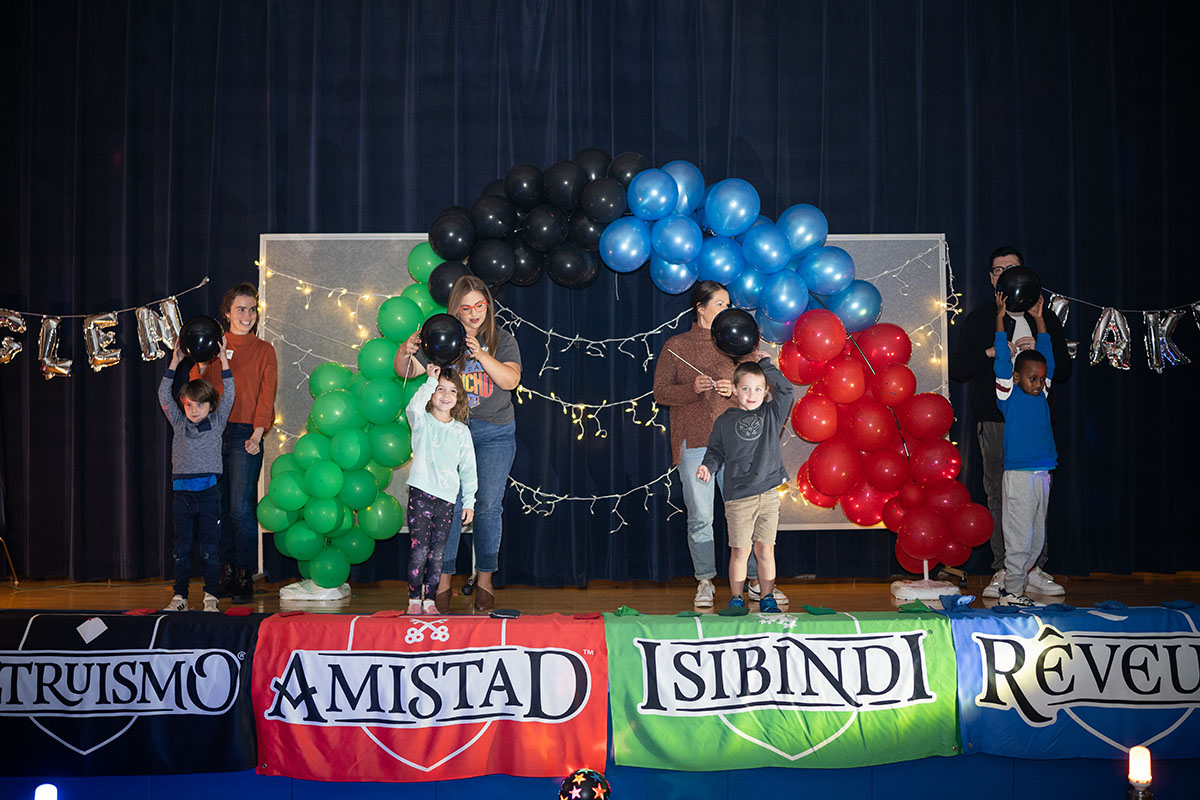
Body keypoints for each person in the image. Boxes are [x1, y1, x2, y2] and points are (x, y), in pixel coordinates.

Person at [652, 281, 787, 608]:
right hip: (695, 443)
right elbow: (660, 393)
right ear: (700, 307)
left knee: (749, 515)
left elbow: (764, 392)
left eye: (729, 305)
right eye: (720, 305)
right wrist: (692, 389)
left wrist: (736, 390)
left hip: (741, 446)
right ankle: (705, 580)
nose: (727, 311)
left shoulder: (741, 346)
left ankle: (756, 581)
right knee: (700, 515)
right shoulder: (676, 345)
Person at [948, 247, 1071, 598]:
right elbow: (958, 369)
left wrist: (1035, 356)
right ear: (991, 278)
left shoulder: (1043, 317)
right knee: (1000, 496)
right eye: (998, 270)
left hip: (1036, 426)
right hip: (995, 419)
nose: (1006, 275)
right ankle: (1005, 568)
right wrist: (993, 352)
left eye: (1012, 268)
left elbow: (1062, 370)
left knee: (1036, 500)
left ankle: (1034, 568)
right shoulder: (981, 318)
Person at [395, 275, 521, 612]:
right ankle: (443, 580)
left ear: (487, 307)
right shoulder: (443, 339)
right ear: (457, 311)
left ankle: (485, 580)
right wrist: (405, 350)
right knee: (446, 508)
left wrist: (481, 354)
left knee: (488, 507)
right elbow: (403, 368)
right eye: (466, 308)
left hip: (495, 434)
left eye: (480, 306)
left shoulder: (501, 339)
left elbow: (510, 380)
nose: (474, 313)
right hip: (451, 435)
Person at [190, 283, 278, 604]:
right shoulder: (213, 349)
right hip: (214, 433)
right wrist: (200, 362)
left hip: (245, 435)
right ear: (226, 313)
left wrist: (257, 434)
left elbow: (265, 397)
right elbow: (195, 390)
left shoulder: (265, 350)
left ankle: (244, 574)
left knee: (242, 510)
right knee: (219, 509)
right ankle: (223, 572)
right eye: (240, 309)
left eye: (252, 309)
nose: (247, 315)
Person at [695, 353, 794, 613]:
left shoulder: (772, 414)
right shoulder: (725, 421)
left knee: (765, 550)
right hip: (738, 497)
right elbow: (715, 451)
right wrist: (708, 466)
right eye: (746, 388)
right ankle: (737, 598)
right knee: (740, 551)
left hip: (768, 495)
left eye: (758, 389)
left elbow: (786, 389)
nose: (752, 394)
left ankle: (767, 596)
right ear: (736, 390)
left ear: (765, 392)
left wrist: (766, 365)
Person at [159, 340, 234, 612]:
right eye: (189, 405)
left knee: (208, 549)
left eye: (200, 405)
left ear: (210, 406)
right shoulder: (179, 424)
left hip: (209, 495)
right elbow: (163, 395)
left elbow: (230, 394)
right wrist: (174, 362)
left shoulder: (217, 423)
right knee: (181, 548)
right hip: (182, 496)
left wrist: (224, 360)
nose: (194, 410)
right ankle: (179, 597)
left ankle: (210, 597)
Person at [991, 294, 1056, 607]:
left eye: (1041, 379)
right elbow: (1002, 360)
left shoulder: (1042, 393)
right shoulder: (1008, 394)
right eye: (1032, 378)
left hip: (1042, 472)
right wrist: (1000, 319)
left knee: (1036, 538)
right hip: (1018, 475)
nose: (1038, 383)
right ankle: (1010, 592)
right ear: (1016, 378)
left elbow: (1048, 358)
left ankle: (1018, 588)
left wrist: (1040, 319)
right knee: (1019, 536)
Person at [404, 363, 477, 614]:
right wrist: (429, 382)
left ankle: (431, 600)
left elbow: (468, 469)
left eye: (453, 391)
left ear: (458, 398)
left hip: (447, 499)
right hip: (421, 495)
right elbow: (412, 407)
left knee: (437, 553)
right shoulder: (422, 423)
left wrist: (469, 501)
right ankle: (415, 599)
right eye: (441, 389)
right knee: (420, 549)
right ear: (432, 394)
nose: (446, 395)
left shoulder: (461, 431)